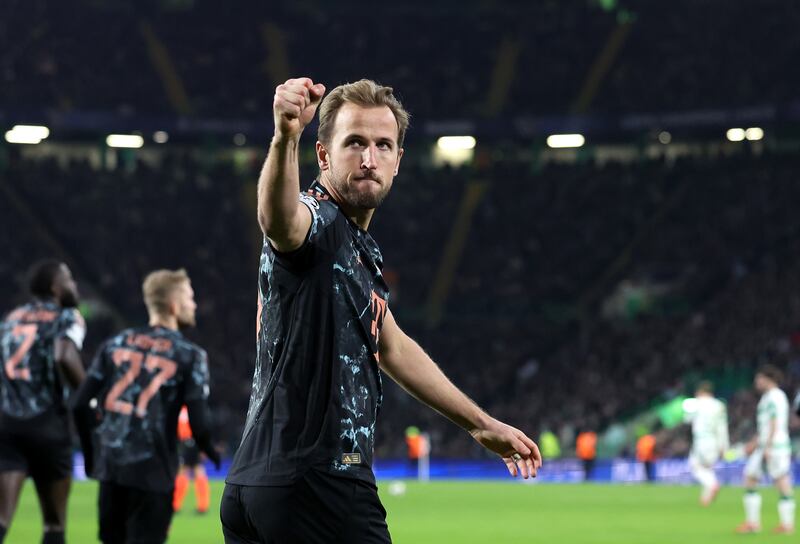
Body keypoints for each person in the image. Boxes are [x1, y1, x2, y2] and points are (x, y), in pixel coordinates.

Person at [221, 77, 542, 543]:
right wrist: (285, 136)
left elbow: (390, 343)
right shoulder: (320, 220)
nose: (369, 159)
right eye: (354, 143)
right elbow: (280, 222)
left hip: (256, 483)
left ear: (398, 162)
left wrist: (481, 424)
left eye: (383, 145)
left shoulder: (353, 248)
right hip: (321, 483)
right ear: (323, 155)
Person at [72, 269, 220, 544]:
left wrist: (93, 457)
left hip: (112, 470)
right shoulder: (190, 356)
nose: (195, 304)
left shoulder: (114, 344)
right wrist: (210, 449)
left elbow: (80, 404)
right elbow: (200, 424)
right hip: (153, 474)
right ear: (174, 306)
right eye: (190, 297)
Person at [0, 260, 86, 544]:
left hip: (7, 424)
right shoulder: (67, 316)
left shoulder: (11, 319)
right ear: (55, 287)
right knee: (53, 523)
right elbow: (64, 356)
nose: (73, 285)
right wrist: (91, 400)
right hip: (48, 425)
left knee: (1, 518)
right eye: (69, 279)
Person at [736, 365, 795, 534]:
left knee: (781, 480)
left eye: (759, 378)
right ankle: (753, 523)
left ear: (767, 379)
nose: (756, 382)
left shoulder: (775, 397)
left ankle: (787, 525)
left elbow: (775, 423)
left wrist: (768, 446)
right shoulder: (768, 397)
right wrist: (754, 443)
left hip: (774, 446)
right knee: (750, 477)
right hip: (766, 445)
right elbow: (765, 426)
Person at [686, 381, 728, 506]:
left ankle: (712, 485)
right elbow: (722, 427)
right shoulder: (719, 405)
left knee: (695, 466)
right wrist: (724, 446)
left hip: (701, 440)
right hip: (714, 441)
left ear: (700, 392)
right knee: (707, 467)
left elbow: (687, 419)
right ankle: (705, 498)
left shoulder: (696, 403)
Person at [173, 405, 211, 514]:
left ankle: (176, 505)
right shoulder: (197, 406)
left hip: (186, 442)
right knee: (198, 470)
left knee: (183, 471)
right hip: (195, 441)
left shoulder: (182, 408)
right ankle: (203, 506)